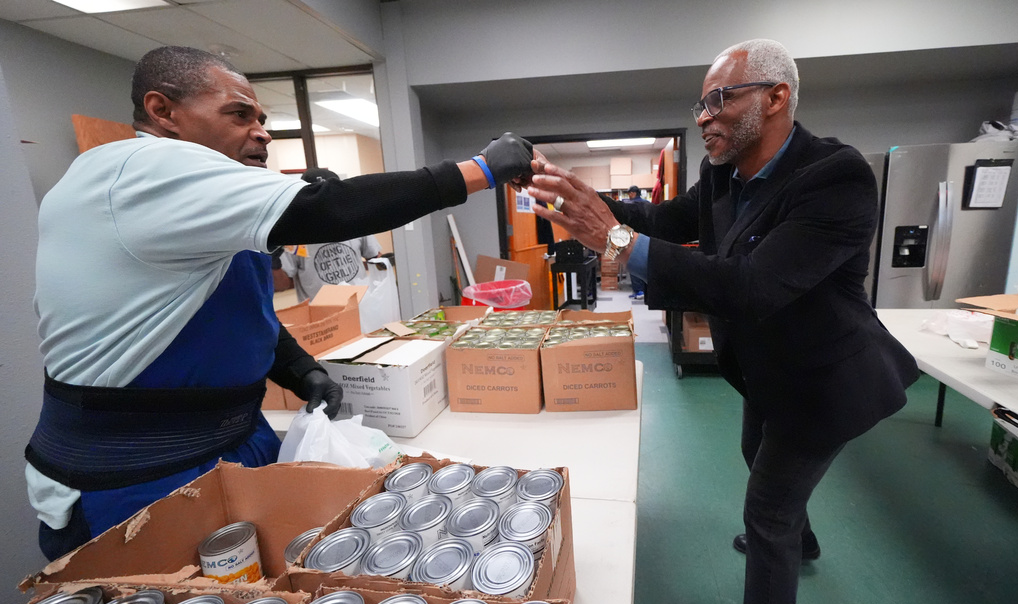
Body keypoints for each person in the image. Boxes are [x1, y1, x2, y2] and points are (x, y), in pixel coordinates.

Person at [27, 45, 535, 561]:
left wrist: (296, 368)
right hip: (138, 473)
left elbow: (229, 308)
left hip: (232, 446)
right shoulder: (140, 168)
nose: (263, 131)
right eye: (238, 113)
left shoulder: (207, 204)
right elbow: (329, 211)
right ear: (163, 113)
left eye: (262, 118)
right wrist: (480, 170)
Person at [529, 39, 918, 604]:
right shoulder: (723, 177)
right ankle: (805, 537)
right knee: (752, 457)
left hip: (824, 381)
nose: (704, 116)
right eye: (700, 103)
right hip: (766, 368)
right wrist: (583, 202)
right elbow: (657, 216)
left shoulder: (835, 178)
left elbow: (752, 287)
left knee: (766, 510)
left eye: (719, 99)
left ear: (775, 98)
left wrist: (618, 241)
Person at [279, 168, 384, 302]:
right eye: (317, 197)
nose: (324, 204)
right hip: (322, 316)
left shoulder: (355, 222)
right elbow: (282, 284)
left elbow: (375, 258)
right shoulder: (295, 235)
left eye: (329, 196)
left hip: (361, 306)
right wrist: (272, 258)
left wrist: (379, 291)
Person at [623, 185, 649, 299]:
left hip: (634, 238)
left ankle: (639, 291)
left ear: (633, 193)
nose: (629, 195)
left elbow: (627, 222)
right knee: (645, 264)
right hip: (647, 238)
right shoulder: (647, 203)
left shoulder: (630, 205)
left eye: (629, 193)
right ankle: (645, 290)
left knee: (634, 263)